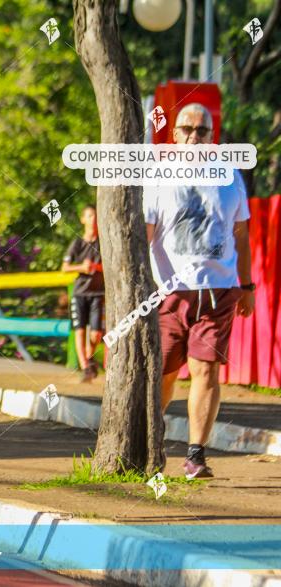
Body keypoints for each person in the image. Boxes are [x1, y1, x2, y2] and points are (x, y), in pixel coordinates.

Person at [144, 103, 254, 479]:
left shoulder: (230, 176)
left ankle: (195, 454)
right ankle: (149, 439)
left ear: (212, 136)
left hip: (219, 290)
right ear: (173, 135)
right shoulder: (158, 177)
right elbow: (145, 235)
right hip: (169, 292)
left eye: (202, 131)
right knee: (164, 372)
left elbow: (242, 233)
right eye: (187, 129)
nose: (194, 136)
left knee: (206, 369)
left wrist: (247, 284)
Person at [62, 204, 104, 383]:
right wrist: (82, 267)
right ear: (82, 219)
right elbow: (65, 267)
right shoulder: (78, 242)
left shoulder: (102, 242)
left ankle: (89, 355)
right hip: (79, 292)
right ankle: (85, 367)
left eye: (94, 215)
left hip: (97, 293)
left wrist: (95, 267)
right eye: (89, 216)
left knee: (96, 334)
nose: (92, 219)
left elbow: (111, 266)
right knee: (79, 331)